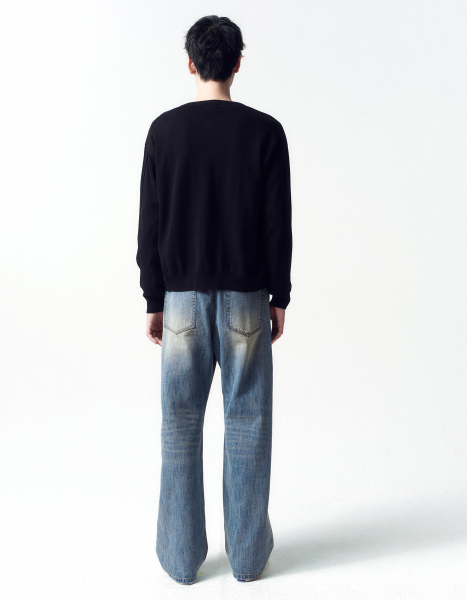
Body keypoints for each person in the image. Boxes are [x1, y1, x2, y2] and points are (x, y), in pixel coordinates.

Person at [136, 15, 293, 585]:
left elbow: (150, 225)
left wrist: (154, 297)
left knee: (179, 424)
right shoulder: (265, 132)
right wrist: (280, 294)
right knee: (247, 421)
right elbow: (277, 223)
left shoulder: (164, 131)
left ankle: (180, 560)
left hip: (180, 301)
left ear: (190, 63)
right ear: (237, 63)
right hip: (248, 297)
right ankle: (248, 559)